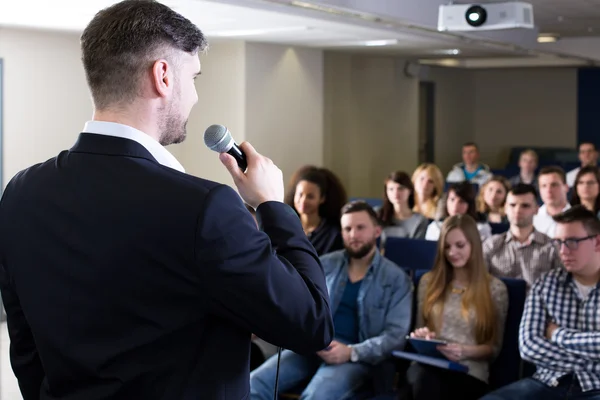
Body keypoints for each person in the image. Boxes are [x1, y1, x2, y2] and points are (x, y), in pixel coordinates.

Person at [0, 2, 333, 399]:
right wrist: (273, 206)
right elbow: (312, 323)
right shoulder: (206, 208)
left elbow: (25, 346)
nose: (194, 96)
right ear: (162, 76)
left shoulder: (21, 192)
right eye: (193, 77)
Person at [250, 201, 413, 399]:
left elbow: (395, 337)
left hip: (356, 359)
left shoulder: (396, 279)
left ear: (377, 231)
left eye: (360, 228)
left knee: (317, 396)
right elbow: (299, 306)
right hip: (312, 348)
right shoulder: (325, 263)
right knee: (252, 385)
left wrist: (351, 352)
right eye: (347, 229)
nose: (353, 235)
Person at [481, 205, 600, 399]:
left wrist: (558, 334)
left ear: (597, 242)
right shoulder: (545, 284)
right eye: (558, 242)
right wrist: (593, 360)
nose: (563, 250)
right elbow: (529, 347)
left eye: (571, 241)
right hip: (547, 382)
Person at [403, 215, 508, 400]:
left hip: (468, 371)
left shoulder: (494, 289)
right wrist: (422, 337)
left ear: (474, 245)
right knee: (420, 378)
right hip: (429, 364)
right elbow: (419, 329)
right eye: (447, 247)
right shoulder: (429, 282)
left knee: (423, 385)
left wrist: (464, 351)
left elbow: (494, 348)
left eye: (460, 246)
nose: (452, 253)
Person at [284, 165, 347, 255]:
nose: (303, 201)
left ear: (322, 198)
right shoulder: (284, 227)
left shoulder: (333, 236)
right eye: (300, 195)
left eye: (310, 196)